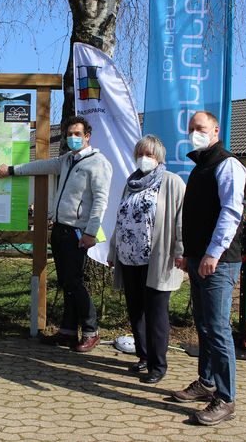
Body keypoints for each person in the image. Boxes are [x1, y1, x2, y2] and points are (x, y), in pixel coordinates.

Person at [0, 115, 112, 352]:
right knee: (66, 282)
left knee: (75, 282)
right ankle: (68, 332)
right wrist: (11, 170)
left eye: (78, 134)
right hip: (59, 228)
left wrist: (90, 232)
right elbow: (41, 166)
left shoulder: (98, 163)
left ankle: (91, 331)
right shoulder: (67, 160)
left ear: (87, 136)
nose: (72, 137)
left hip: (78, 232)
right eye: (70, 133)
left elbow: (101, 201)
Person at [172, 111, 246, 426]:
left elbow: (231, 212)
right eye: (191, 129)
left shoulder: (227, 164)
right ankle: (206, 382)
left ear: (215, 130)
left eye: (200, 128)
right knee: (203, 326)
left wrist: (213, 253)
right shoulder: (200, 167)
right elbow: (196, 216)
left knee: (217, 330)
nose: (194, 133)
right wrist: (188, 254)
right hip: (198, 258)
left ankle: (226, 398)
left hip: (218, 261)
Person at [107, 135, 185, 384]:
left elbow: (182, 220)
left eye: (150, 154)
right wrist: (113, 251)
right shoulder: (130, 183)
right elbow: (120, 220)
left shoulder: (171, 182)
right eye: (141, 153)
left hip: (157, 259)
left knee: (156, 313)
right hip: (129, 258)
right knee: (136, 311)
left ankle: (158, 365)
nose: (144, 158)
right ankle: (143, 355)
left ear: (159, 157)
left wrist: (181, 250)